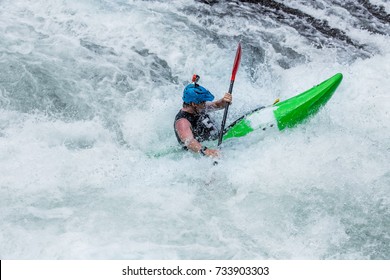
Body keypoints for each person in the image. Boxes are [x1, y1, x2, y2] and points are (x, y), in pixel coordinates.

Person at [174, 75, 232, 158]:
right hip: (197, 154)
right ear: (194, 103)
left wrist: (224, 101)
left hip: (215, 140)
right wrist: (207, 151)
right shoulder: (182, 121)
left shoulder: (198, 107)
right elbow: (189, 142)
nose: (205, 104)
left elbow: (216, 105)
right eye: (203, 102)